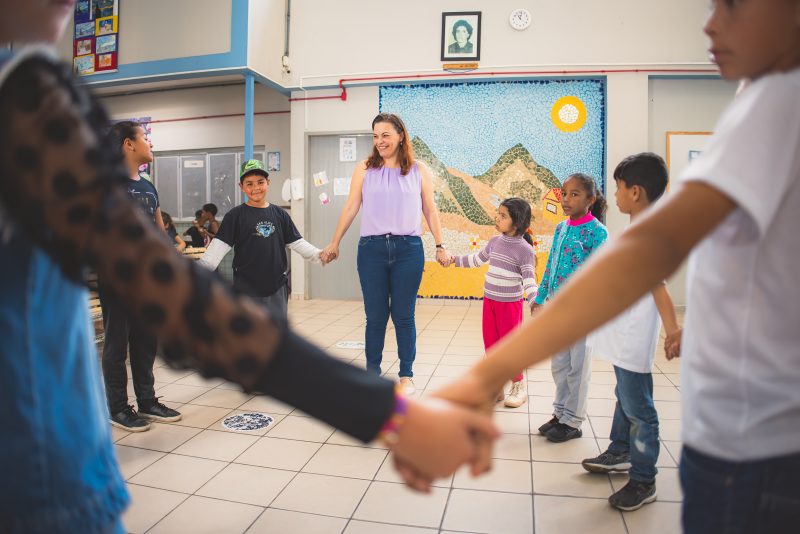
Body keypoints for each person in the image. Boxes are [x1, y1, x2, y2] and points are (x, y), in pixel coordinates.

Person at [0, 5, 499, 532]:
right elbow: (179, 300)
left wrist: (382, 407)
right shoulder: (33, 112)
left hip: (54, 454)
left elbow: (193, 291)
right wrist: (385, 412)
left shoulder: (35, 101)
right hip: (37, 465)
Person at [436, 1, 800, 531]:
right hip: (732, 430)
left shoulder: (781, 102)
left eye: (733, 5)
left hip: (758, 449)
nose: (710, 22)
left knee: (620, 391)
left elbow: (645, 258)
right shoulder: (762, 97)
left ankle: (628, 460)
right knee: (620, 394)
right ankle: (619, 449)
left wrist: (482, 377)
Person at [321, 113, 451, 395]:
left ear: (400, 135)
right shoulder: (365, 169)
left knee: (404, 315)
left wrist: (440, 245)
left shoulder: (418, 169)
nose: (379, 141)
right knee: (376, 317)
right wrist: (335, 242)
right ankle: (372, 375)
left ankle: (406, 375)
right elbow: (351, 207)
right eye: (375, 136)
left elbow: (430, 209)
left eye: (386, 135)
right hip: (372, 251)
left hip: (408, 250)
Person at [580, 152, 682, 511]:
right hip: (623, 330)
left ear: (635, 192)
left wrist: (673, 329)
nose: (617, 194)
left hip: (634, 335)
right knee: (626, 395)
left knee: (640, 407)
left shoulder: (649, 232)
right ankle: (620, 451)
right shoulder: (640, 226)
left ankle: (643, 479)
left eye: (619, 188)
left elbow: (659, 286)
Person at [99, 120, 182, 432]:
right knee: (116, 345)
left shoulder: (148, 187)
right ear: (128, 144)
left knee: (146, 341)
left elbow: (161, 233)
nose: (150, 144)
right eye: (145, 138)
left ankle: (147, 401)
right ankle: (117, 407)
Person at [532, 173, 608, 442]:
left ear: (591, 199)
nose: (566, 199)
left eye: (574, 194)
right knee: (560, 364)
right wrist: (541, 298)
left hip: (582, 311)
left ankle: (573, 421)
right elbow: (551, 263)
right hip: (558, 308)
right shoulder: (561, 228)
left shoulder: (597, 232)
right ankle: (561, 413)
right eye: (564, 193)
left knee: (579, 367)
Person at [198, 159, 323, 320]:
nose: (256, 188)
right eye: (249, 184)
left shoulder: (280, 214)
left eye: (260, 182)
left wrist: (319, 254)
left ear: (268, 182)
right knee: (248, 336)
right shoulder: (235, 216)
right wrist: (194, 275)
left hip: (276, 287)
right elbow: (217, 249)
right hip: (246, 290)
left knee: (276, 336)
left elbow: (297, 242)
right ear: (241, 187)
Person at [446, 198, 537, 408]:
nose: (497, 217)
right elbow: (477, 259)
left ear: (517, 223)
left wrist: (535, 301)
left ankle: (518, 385)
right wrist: (454, 260)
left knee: (509, 347)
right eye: (498, 213)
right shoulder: (495, 242)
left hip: (510, 306)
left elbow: (529, 280)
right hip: (490, 302)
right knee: (491, 345)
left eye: (503, 215)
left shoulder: (525, 250)